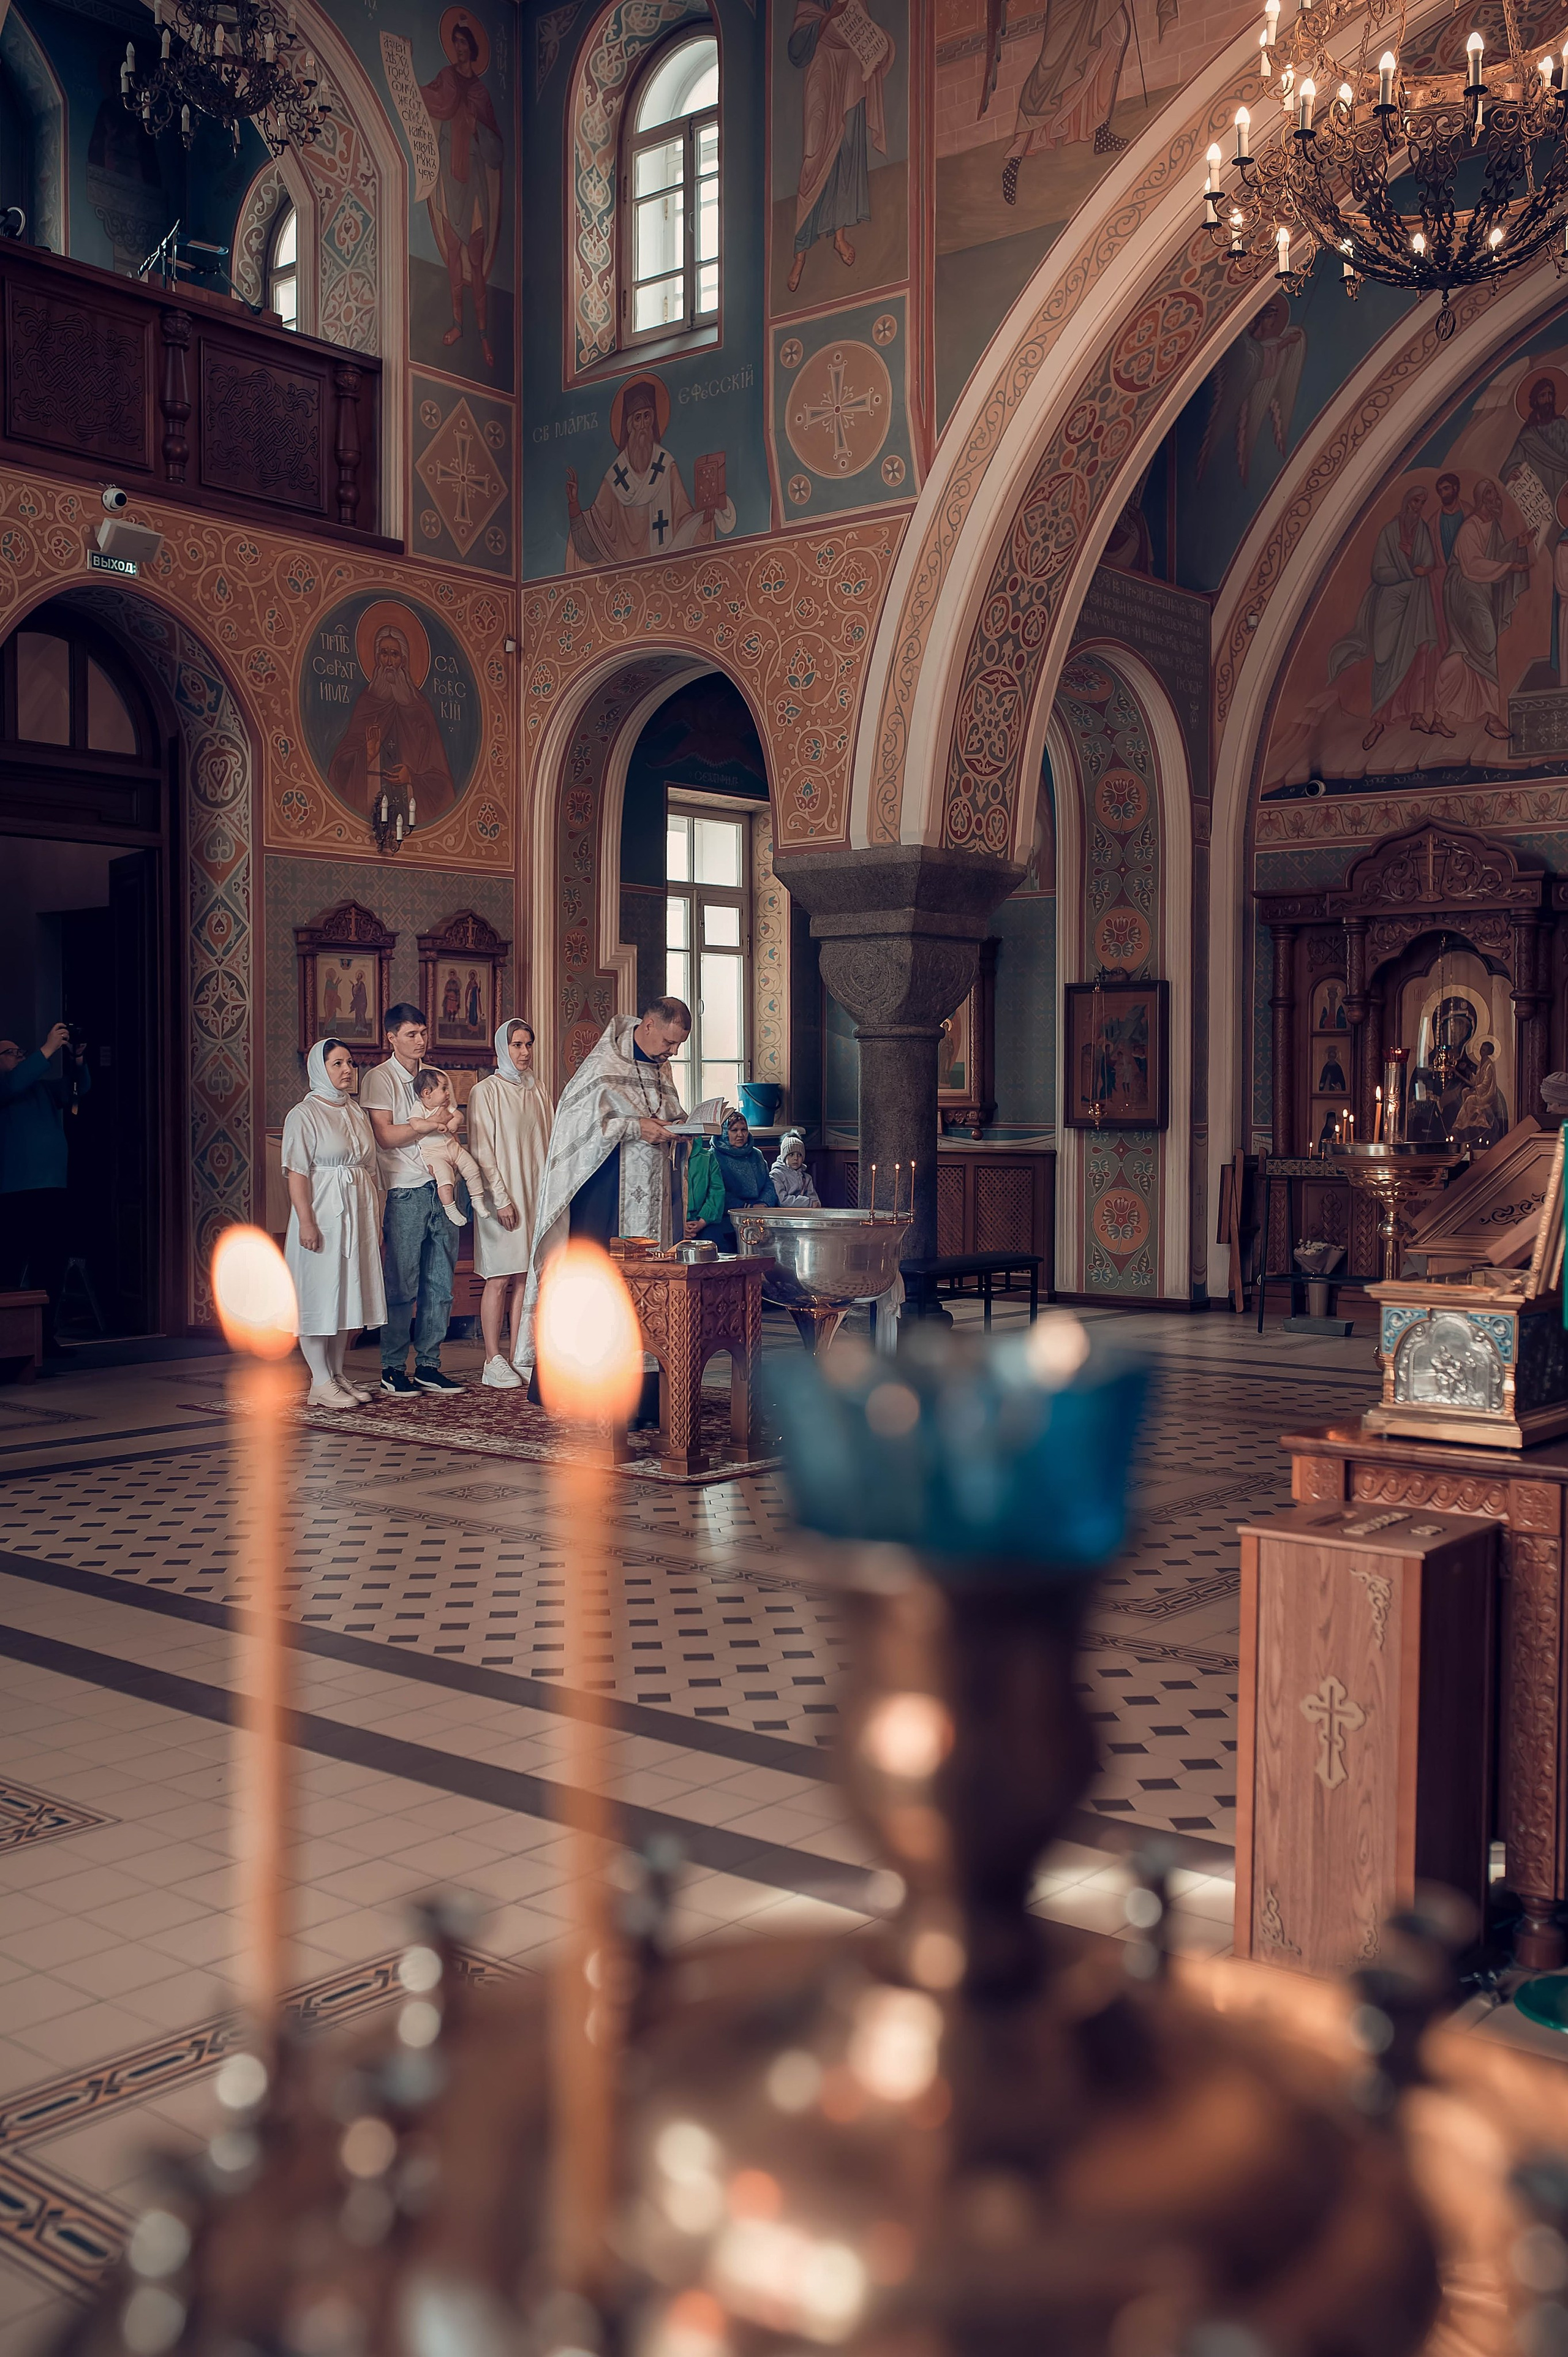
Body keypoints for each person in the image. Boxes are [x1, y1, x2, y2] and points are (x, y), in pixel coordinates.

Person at [517, 995, 693, 1376]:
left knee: (650, 1285)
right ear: (648, 1026)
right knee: (598, 1283)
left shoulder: (660, 1067)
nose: (673, 1052)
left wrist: (682, 1128)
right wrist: (634, 1127)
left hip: (654, 1196)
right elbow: (576, 1129)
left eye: (679, 1045)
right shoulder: (602, 1066)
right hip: (605, 1196)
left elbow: (666, 1113)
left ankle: (646, 1388)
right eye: (669, 1042)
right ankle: (581, 1381)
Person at [360, 1003, 465, 1398]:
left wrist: (435, 1125)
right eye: (411, 1034)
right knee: (402, 1282)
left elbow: (453, 1121)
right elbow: (386, 1137)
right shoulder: (379, 1078)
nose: (420, 1041)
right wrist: (429, 1127)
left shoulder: (434, 1076)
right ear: (391, 1037)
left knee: (441, 1282)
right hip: (405, 1189)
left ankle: (429, 1365)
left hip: (445, 1184)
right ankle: (392, 1367)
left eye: (423, 1033)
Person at [282, 1040, 386, 1411]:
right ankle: (319, 1380)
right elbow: (296, 1173)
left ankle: (337, 1374)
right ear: (318, 1068)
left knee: (346, 1294)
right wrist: (306, 1222)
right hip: (323, 1214)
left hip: (356, 1215)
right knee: (318, 1294)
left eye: (350, 1063)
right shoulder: (304, 1114)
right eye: (337, 1063)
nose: (347, 1070)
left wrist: (375, 1217)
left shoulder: (355, 1111)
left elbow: (370, 1169)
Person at [466, 1019, 553, 1390]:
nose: (524, 1052)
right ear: (503, 1048)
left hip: (533, 1194)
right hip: (500, 1197)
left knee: (524, 1277)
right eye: (517, 1045)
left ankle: (520, 1355)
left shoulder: (537, 1089)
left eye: (529, 1045)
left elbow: (548, 1143)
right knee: (499, 1276)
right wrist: (500, 1199)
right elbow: (483, 1151)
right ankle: (491, 1359)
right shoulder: (485, 1092)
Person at [786, 0, 893, 290]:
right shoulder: (810, 3)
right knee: (815, 156)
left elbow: (865, 35)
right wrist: (828, 19)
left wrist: (879, 45)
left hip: (849, 78)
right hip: (822, 72)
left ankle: (840, 237)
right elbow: (797, 48)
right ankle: (800, 251)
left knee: (846, 154)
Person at [1329, 485, 1446, 750]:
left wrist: (1417, 567)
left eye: (1423, 501)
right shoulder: (1389, 533)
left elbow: (1426, 563)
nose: (1419, 506)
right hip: (1390, 603)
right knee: (1385, 656)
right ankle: (1379, 720)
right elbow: (1380, 571)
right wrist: (1408, 567)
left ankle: (1416, 714)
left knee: (1421, 654)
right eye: (1416, 500)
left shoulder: (1423, 531)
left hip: (1417, 600)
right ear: (1406, 502)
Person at [0, 1021, 88, 1351]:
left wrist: (78, 1060)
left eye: (21, 1052)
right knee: (10, 1265)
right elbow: (13, 1085)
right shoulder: (7, 1085)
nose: (19, 1057)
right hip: (15, 1191)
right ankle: (10, 1342)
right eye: (11, 1053)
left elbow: (78, 1091)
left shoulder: (40, 1088)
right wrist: (47, 1049)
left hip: (53, 1188)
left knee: (50, 1263)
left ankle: (44, 1338)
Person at [1434, 477, 1531, 740]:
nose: (1495, 498)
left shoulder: (1493, 525)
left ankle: (1440, 715)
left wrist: (1518, 546)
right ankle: (1491, 717)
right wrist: (1509, 566)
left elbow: (1496, 554)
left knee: (1465, 650)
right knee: (1485, 642)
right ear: (1480, 499)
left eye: (1496, 494)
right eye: (1490, 494)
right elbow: (1473, 565)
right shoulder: (1470, 528)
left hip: (1479, 588)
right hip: (1462, 589)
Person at [687, 1111, 778, 1252]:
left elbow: (768, 1184)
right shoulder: (714, 1156)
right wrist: (747, 1208)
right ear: (724, 1132)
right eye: (734, 1130)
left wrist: (763, 1204)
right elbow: (719, 1192)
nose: (740, 1135)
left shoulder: (756, 1154)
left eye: (744, 1130)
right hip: (728, 1217)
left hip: (760, 1213)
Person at [412, 1069, 486, 1227]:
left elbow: (459, 1115)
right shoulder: (419, 1108)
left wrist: (454, 1122)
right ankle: (450, 1208)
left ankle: (478, 1200)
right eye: (444, 1089)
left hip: (453, 1148)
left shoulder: (446, 1106)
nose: (448, 1093)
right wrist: (436, 1124)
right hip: (434, 1153)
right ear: (427, 1093)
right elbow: (417, 1125)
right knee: (446, 1180)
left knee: (472, 1169)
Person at [771, 1132, 821, 1205]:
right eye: (791, 1155)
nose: (796, 1158)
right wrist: (808, 1203)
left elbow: (814, 1200)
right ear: (784, 1157)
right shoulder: (777, 1175)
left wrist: (816, 1205)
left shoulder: (807, 1178)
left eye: (799, 1155)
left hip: (805, 1214)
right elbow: (782, 1200)